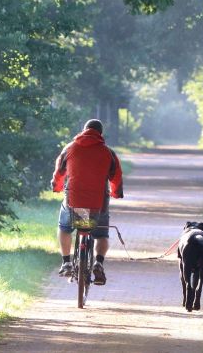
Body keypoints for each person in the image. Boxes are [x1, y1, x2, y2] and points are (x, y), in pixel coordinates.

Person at [51, 119, 124, 285]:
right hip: (98, 205)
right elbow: (116, 176)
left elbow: (59, 172)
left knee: (64, 228)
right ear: (100, 134)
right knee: (101, 235)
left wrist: (57, 187)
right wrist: (116, 192)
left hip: (74, 202)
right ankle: (98, 263)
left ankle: (66, 262)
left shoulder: (69, 149)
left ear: (83, 131)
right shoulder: (108, 153)